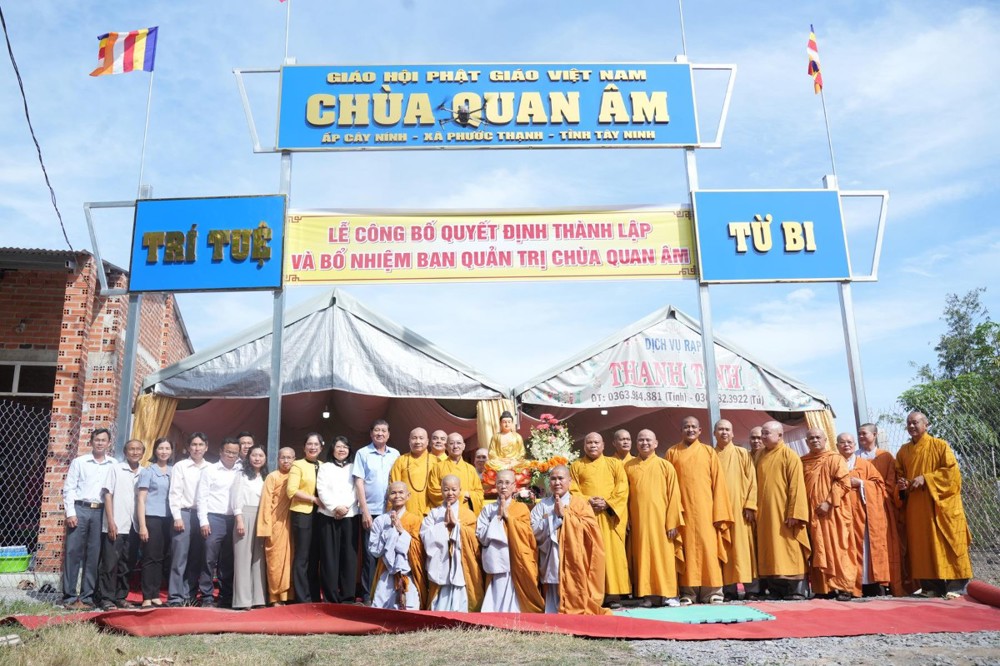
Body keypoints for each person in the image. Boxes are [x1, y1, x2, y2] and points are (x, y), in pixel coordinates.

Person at [895, 411, 973, 598]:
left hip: (941, 505)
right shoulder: (903, 451)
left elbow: (953, 475)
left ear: (926, 424)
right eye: (909, 423)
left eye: (915, 422)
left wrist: (927, 479)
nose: (912, 426)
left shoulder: (940, 446)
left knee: (950, 542)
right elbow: (899, 475)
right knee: (923, 545)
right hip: (917, 507)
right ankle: (931, 587)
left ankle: (955, 586)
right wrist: (903, 484)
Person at [666, 416, 733, 605]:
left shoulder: (709, 452)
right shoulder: (672, 452)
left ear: (700, 430)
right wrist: (672, 515)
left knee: (709, 550)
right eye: (686, 427)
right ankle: (688, 593)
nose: (690, 430)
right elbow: (668, 486)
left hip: (707, 511)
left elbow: (719, 484)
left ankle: (713, 593)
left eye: (693, 427)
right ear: (681, 430)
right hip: (682, 510)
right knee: (686, 550)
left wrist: (720, 514)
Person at [530, 465, 609, 615]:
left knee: (573, 585)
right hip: (550, 554)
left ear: (569, 481)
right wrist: (553, 519)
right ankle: (553, 612)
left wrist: (565, 516)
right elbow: (533, 529)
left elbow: (591, 530)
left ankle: (573, 609)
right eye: (553, 479)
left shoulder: (580, 503)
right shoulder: (542, 506)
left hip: (573, 557)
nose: (557, 482)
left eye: (561, 478)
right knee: (553, 585)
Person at [569, 432, 629, 608]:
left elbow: (622, 488)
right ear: (584, 446)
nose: (592, 445)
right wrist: (588, 500)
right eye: (589, 442)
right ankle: (592, 595)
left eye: (596, 442)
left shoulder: (614, 464)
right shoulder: (576, 465)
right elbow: (572, 489)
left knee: (612, 556)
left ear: (603, 445)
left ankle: (613, 595)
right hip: (587, 517)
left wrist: (607, 503)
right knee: (589, 555)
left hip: (609, 516)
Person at [624, 429, 683, 608]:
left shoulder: (665, 466)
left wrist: (672, 522)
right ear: (636, 444)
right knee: (643, 558)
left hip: (662, 522)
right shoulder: (628, 467)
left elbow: (674, 495)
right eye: (640, 440)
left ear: (656, 443)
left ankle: (670, 594)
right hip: (639, 522)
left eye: (648, 440)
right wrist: (626, 519)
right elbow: (623, 496)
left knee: (664, 557)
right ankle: (649, 595)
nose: (644, 443)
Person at [62, 427, 117, 610]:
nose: (100, 443)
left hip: (100, 512)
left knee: (94, 555)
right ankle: (69, 596)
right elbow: (69, 488)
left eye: (104, 440)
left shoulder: (113, 464)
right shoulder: (80, 462)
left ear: (109, 443)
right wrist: (71, 512)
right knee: (73, 552)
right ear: (91, 442)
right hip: (81, 509)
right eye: (97, 440)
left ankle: (87, 597)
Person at [755, 421, 811, 600]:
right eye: (762, 433)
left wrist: (794, 513)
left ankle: (795, 590)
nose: (763, 437)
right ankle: (776, 589)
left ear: (780, 436)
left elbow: (796, 486)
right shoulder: (759, 455)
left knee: (789, 548)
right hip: (765, 514)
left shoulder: (789, 455)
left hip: (784, 514)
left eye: (767, 433)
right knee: (770, 550)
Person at [475, 469, 545, 612]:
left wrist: (508, 518)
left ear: (515, 486)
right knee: (497, 587)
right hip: (495, 558)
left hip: (515, 558)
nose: (503, 486)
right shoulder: (488, 510)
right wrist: (497, 518)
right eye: (500, 482)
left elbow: (527, 534)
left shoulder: (521, 508)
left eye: (507, 483)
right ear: (495, 485)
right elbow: (480, 535)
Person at [801, 428, 856, 600]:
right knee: (817, 549)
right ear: (806, 442)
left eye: (818, 437)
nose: (814, 440)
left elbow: (843, 483)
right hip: (812, 513)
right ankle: (823, 588)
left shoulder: (835, 458)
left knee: (837, 548)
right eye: (811, 438)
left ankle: (844, 587)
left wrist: (829, 502)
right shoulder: (804, 461)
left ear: (825, 440)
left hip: (832, 513)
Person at [836, 433, 891, 597]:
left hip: (862, 514)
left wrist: (860, 483)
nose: (846, 445)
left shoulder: (864, 465)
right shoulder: (833, 463)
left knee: (864, 548)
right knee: (844, 549)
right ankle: (848, 586)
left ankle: (871, 584)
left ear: (854, 445)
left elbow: (879, 486)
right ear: (837, 445)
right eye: (842, 442)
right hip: (840, 514)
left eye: (849, 442)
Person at [420, 475, 484, 611]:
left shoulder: (468, 514)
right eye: (446, 489)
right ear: (441, 491)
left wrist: (457, 527)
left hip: (460, 558)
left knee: (460, 583)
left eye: (454, 489)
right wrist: (442, 527)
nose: (450, 493)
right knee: (442, 584)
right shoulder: (434, 513)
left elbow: (474, 538)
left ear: (460, 490)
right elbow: (424, 535)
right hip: (441, 560)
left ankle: (461, 609)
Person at [858, 422, 908, 596]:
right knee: (861, 546)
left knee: (883, 546)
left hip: (881, 509)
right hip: (859, 510)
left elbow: (890, 485)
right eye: (860, 434)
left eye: (865, 433)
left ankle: (883, 583)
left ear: (875, 435)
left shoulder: (886, 457)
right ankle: (863, 583)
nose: (862, 437)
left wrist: (869, 490)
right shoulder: (855, 458)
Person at [353, 419, 400, 603]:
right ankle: (368, 594)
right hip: (370, 511)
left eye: (384, 431)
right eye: (377, 431)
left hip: (390, 511)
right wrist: (364, 511)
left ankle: (388, 594)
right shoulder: (362, 453)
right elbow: (359, 482)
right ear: (371, 434)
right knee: (370, 554)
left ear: (388, 434)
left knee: (389, 552)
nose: (380, 433)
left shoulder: (395, 454)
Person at [714, 419, 757, 601]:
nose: (724, 432)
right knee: (725, 548)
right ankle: (728, 589)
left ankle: (752, 589)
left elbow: (752, 480)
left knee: (744, 548)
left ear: (732, 434)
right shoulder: (710, 454)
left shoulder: (742, 453)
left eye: (727, 430)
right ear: (715, 433)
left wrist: (750, 504)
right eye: (721, 429)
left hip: (740, 509)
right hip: (719, 510)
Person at [98, 438, 144, 610]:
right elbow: (107, 495)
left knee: (128, 563)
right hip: (116, 523)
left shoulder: (144, 472)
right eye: (131, 449)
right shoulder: (116, 468)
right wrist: (110, 521)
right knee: (110, 562)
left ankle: (120, 596)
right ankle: (106, 598)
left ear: (143, 453)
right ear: (125, 452)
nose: (135, 452)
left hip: (134, 525)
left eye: (138, 449)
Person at [196, 437, 242, 608]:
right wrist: (203, 521)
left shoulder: (242, 470)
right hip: (214, 518)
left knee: (228, 560)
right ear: (221, 451)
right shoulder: (210, 470)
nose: (231, 455)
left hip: (233, 519)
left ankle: (226, 596)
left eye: (234, 453)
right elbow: (202, 497)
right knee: (209, 558)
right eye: (228, 452)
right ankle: (207, 596)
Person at [167, 432, 210, 607]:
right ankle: (175, 597)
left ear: (206, 447)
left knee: (196, 557)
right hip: (183, 513)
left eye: (200, 445)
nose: (197, 448)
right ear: (188, 447)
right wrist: (177, 516)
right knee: (179, 556)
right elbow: (175, 493)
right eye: (194, 444)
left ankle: (189, 594)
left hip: (202, 515)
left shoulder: (211, 467)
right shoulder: (181, 466)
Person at [316, 436, 360, 604]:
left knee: (349, 556)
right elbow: (321, 489)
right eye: (338, 446)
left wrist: (345, 507)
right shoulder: (325, 467)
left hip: (350, 515)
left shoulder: (354, 467)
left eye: (345, 447)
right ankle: (330, 597)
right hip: (328, 516)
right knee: (329, 557)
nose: (342, 450)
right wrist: (334, 507)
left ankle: (348, 596)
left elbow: (357, 489)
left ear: (349, 450)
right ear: (332, 449)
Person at [369, 481, 425, 610]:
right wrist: (389, 533)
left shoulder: (415, 520)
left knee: (411, 608)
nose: (397, 496)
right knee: (380, 607)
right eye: (393, 493)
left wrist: (402, 532)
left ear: (408, 496)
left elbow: (418, 548)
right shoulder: (380, 520)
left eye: (401, 492)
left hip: (407, 572)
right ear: (388, 496)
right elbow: (374, 550)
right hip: (386, 571)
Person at [287, 432, 325, 603]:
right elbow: (291, 491)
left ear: (321, 447)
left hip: (320, 516)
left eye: (316, 444)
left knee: (315, 556)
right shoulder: (298, 465)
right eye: (309, 444)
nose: (312, 447)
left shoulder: (324, 466)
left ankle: (314, 595)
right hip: (302, 513)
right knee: (302, 556)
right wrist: (313, 499)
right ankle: (302, 597)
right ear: (304, 447)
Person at [136, 438, 173, 608]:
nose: (164, 451)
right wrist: (142, 525)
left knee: (161, 557)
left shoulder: (174, 471)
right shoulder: (148, 471)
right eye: (161, 448)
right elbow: (141, 499)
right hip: (152, 518)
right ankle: (146, 596)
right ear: (155, 450)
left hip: (169, 519)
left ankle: (156, 593)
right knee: (150, 557)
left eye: (167, 448)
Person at [231, 443, 268, 610]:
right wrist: (239, 519)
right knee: (243, 558)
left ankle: (258, 598)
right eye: (254, 455)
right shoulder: (241, 475)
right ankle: (242, 600)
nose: (257, 458)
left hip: (262, 517)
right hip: (245, 516)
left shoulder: (267, 476)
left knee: (259, 559)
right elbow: (236, 498)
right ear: (248, 457)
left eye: (261, 455)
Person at [257, 447, 295, 605]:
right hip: (275, 524)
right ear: (278, 459)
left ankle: (288, 596)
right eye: (283, 458)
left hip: (292, 523)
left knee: (290, 560)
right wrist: (266, 527)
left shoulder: (295, 476)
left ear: (294, 459)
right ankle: (274, 597)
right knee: (275, 561)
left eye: (289, 458)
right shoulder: (272, 477)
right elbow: (265, 503)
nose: (286, 461)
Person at [428, 433, 485, 514]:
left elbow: (479, 492)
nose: (455, 446)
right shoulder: (437, 467)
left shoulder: (470, 469)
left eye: (458, 443)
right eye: (451, 443)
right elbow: (433, 492)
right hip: (445, 513)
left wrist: (469, 494)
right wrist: (460, 495)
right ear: (446, 446)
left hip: (466, 513)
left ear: (463, 446)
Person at [388, 427, 433, 517]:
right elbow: (393, 488)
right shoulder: (401, 461)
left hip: (430, 513)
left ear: (427, 441)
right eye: (414, 438)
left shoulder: (436, 462)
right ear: (409, 441)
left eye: (421, 438)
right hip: (404, 513)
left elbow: (439, 490)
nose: (417, 441)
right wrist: (392, 512)